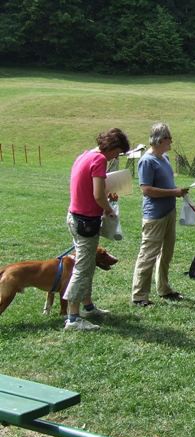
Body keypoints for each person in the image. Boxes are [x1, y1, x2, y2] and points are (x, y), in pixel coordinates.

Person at [63, 128, 130, 330]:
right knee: (83, 268)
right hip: (85, 222)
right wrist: (109, 210)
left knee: (88, 264)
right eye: (117, 153)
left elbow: (87, 187)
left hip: (74, 217)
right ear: (112, 147)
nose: (115, 157)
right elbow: (98, 195)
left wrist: (104, 197)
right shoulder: (99, 160)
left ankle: (88, 306)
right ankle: (73, 318)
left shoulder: (85, 155)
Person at [131, 123, 188, 307]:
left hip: (169, 212)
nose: (171, 141)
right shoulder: (147, 161)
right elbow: (146, 190)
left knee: (167, 253)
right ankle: (139, 295)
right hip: (155, 216)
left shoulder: (164, 158)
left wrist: (178, 191)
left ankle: (164, 288)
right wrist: (173, 192)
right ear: (161, 140)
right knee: (148, 254)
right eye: (169, 138)